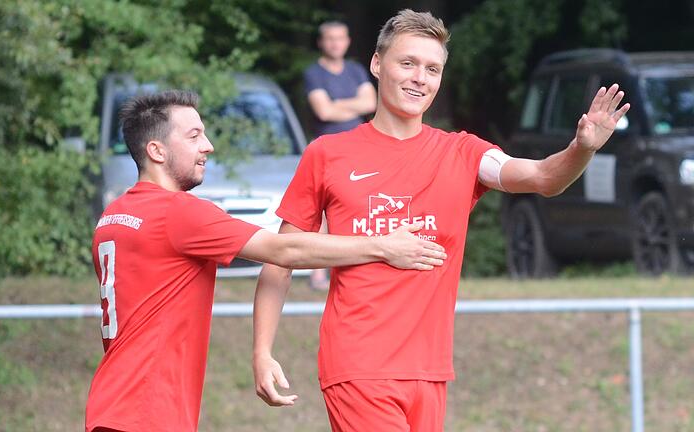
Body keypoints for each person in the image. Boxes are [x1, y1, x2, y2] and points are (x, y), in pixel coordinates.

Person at [252, 9, 630, 432]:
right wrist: (262, 351)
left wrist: (582, 148)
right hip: (359, 363)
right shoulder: (327, 154)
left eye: (432, 69)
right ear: (377, 65)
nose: (420, 77)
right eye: (408, 63)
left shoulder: (462, 153)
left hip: (430, 370)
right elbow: (280, 257)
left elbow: (543, 177)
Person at [84, 89, 447, 432]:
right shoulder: (177, 213)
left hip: (112, 404)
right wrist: (382, 246)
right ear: (157, 151)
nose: (207, 147)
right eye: (194, 136)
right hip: (148, 410)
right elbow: (283, 250)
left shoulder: (114, 216)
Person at [303, 20, 378, 289]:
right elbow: (324, 112)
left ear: (347, 41)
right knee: (321, 211)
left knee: (357, 205)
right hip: (327, 147)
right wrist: (352, 107)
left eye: (340, 38)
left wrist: (337, 104)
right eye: (330, 38)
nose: (336, 43)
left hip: (358, 148)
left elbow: (371, 103)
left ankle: (351, 265)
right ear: (321, 42)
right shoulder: (314, 73)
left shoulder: (356, 70)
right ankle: (317, 273)